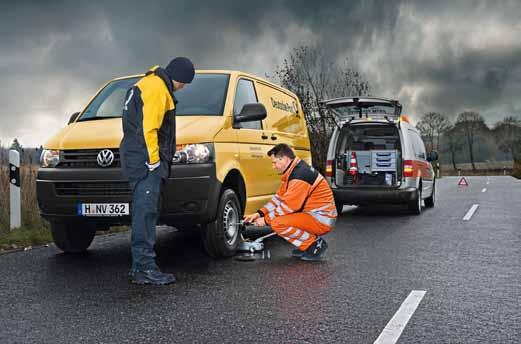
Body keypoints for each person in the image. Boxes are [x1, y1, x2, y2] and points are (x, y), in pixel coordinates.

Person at [120, 57, 195, 285]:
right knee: (145, 213)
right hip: (145, 161)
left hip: (136, 157)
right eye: (185, 82)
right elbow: (148, 128)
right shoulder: (157, 89)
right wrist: (153, 161)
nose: (184, 87)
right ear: (180, 77)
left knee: (144, 212)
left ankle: (139, 267)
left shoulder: (148, 84)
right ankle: (144, 269)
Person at [243, 144, 337, 261]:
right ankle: (307, 245)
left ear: (285, 159)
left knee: (277, 223)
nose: (274, 167)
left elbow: (288, 206)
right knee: (278, 219)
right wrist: (259, 214)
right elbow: (278, 198)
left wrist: (266, 220)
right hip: (316, 215)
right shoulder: (292, 171)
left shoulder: (299, 176)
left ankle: (313, 245)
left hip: (321, 219)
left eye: (275, 162)